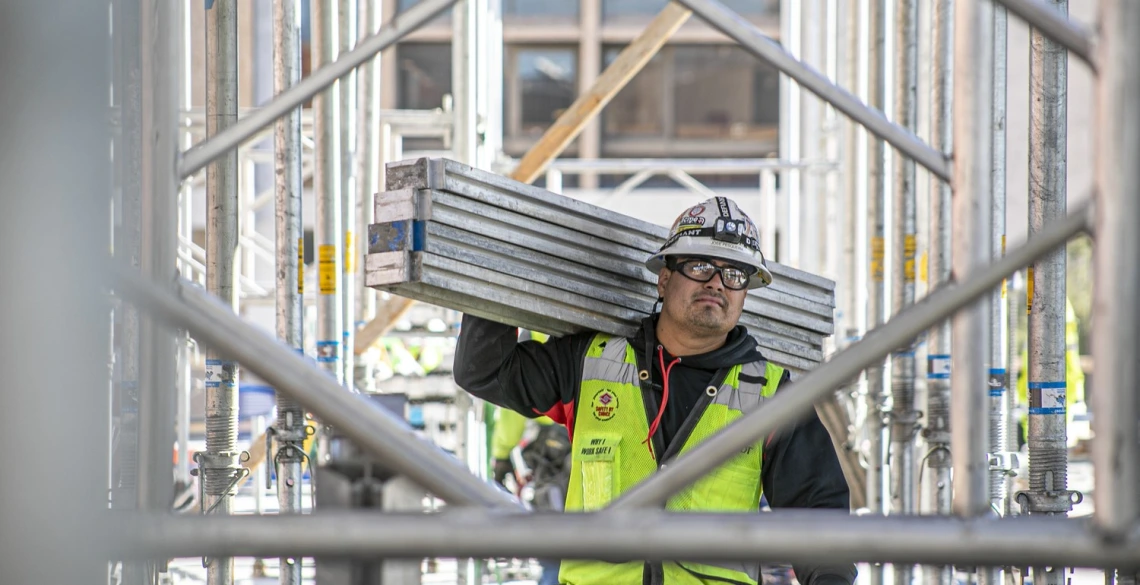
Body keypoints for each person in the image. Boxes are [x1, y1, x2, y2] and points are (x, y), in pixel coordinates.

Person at [454, 197, 855, 585]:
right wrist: (499, 261)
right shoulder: (589, 362)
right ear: (664, 279)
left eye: (734, 275)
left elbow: (818, 510)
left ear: (744, 296)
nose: (717, 283)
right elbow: (485, 371)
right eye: (700, 266)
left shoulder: (770, 395)